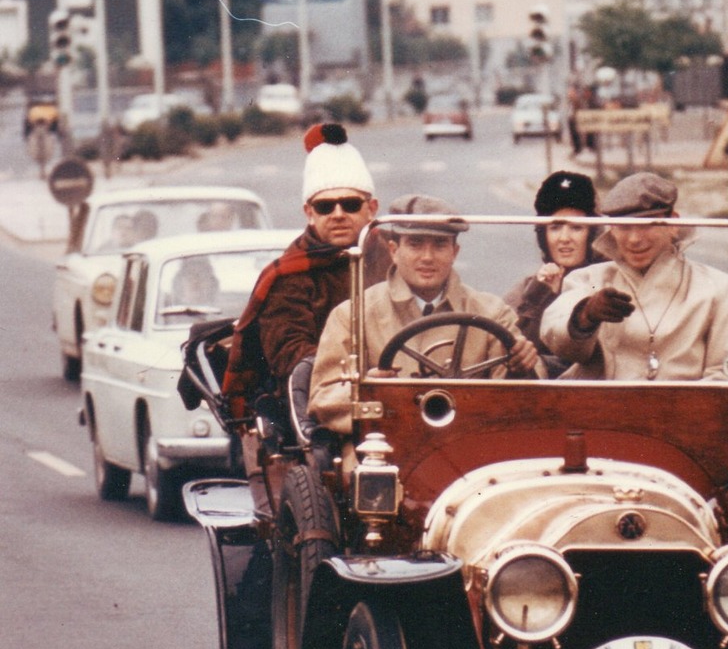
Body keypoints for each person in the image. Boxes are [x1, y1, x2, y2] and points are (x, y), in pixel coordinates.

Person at [309, 194, 542, 435]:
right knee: (359, 472)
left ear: (455, 252)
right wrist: (369, 390)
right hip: (383, 443)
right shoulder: (353, 315)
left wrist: (521, 365)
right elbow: (322, 399)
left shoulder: (492, 313)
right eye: (415, 243)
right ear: (394, 250)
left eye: (440, 245)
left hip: (469, 442)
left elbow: (522, 404)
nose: (427, 257)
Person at [222, 121, 385, 419]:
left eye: (350, 204)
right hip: (321, 402)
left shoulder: (394, 258)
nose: (338, 215)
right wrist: (365, 376)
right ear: (309, 213)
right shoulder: (289, 275)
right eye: (325, 207)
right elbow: (290, 354)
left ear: (371, 208)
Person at [540, 172, 728, 381]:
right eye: (624, 227)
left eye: (646, 224)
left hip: (687, 411)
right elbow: (556, 340)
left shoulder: (721, 290)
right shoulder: (590, 281)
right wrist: (585, 315)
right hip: (600, 409)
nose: (634, 239)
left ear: (673, 224)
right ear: (611, 229)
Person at [504, 170, 603, 377]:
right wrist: (539, 296)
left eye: (576, 228)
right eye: (555, 227)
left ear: (591, 234)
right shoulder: (529, 288)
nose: (564, 238)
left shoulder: (607, 280)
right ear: (543, 235)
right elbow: (505, 350)